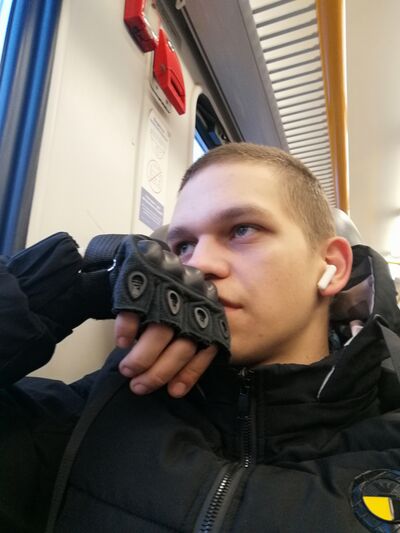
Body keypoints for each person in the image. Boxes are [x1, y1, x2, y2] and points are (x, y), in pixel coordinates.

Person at [1, 142, 400, 533]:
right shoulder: (96, 412)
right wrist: (49, 296)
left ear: (331, 266)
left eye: (243, 229)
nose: (199, 264)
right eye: (183, 246)